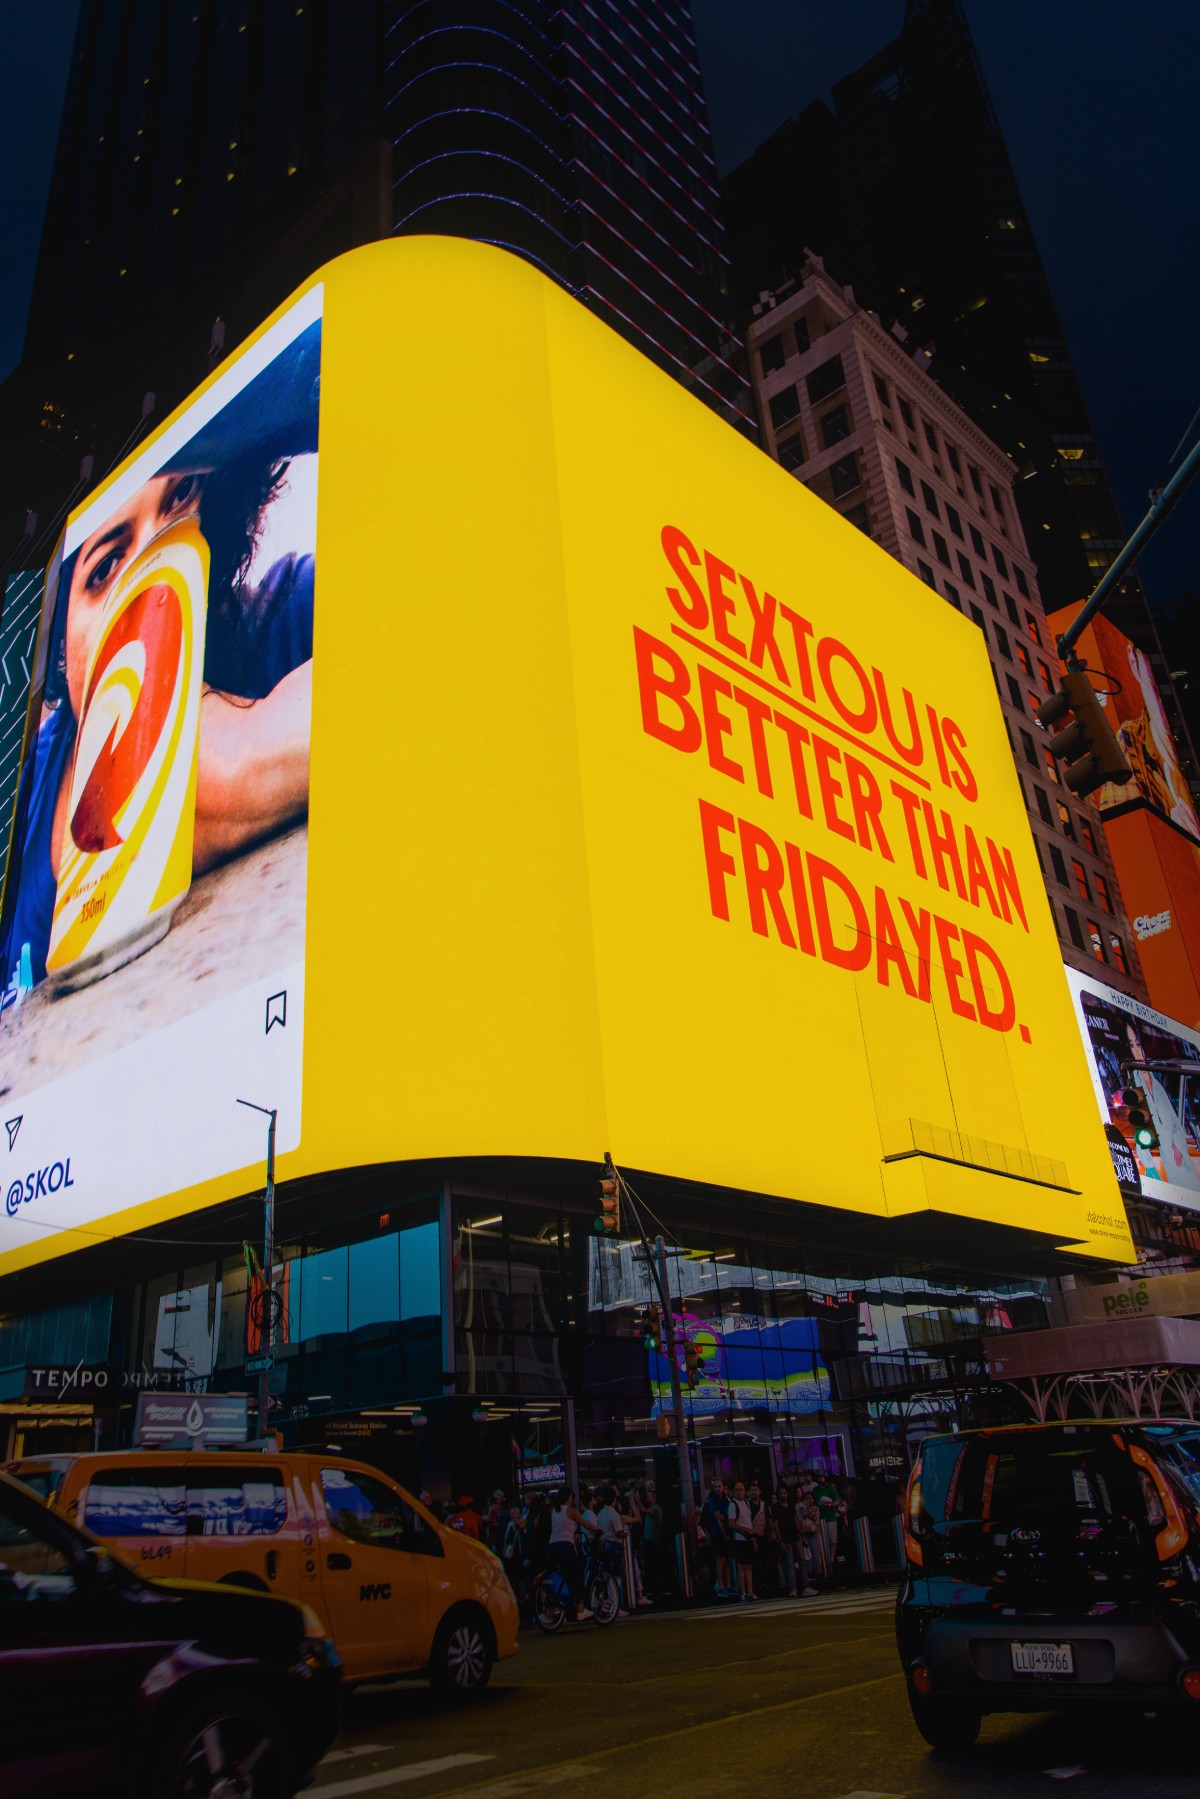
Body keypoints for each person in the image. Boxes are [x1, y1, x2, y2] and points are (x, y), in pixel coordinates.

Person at [1, 325, 320, 1000]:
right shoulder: (24, 791)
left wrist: (229, 757)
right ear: (60, 639)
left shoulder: (283, 615)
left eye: (179, 504)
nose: (150, 575)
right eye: (107, 564)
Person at [548, 1487, 591, 1622]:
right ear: (568, 1498)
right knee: (577, 1574)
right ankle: (580, 1610)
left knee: (560, 1577)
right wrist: (598, 1529)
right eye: (572, 1497)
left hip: (552, 1547)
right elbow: (585, 1524)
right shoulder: (570, 1510)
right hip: (565, 1547)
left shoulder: (554, 1511)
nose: (573, 1499)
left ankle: (557, 1609)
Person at [701, 1479, 733, 1598]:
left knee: (728, 1559)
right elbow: (718, 1517)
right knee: (720, 1559)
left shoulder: (726, 1499)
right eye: (715, 1487)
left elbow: (728, 1515)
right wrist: (724, 1532)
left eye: (720, 1486)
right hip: (717, 1533)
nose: (718, 1489)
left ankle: (728, 1585)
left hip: (726, 1532)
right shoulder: (712, 1500)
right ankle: (720, 1585)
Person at [727, 1481, 757, 1602]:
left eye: (741, 1489)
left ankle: (750, 1591)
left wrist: (753, 1539)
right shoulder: (733, 1505)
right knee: (741, 1566)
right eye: (737, 1490)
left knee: (749, 1566)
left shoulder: (746, 1503)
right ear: (734, 1492)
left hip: (748, 1539)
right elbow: (731, 1523)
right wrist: (745, 1530)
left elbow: (749, 1522)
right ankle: (743, 1592)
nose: (739, 1492)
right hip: (740, 1539)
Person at [771, 1483, 799, 1597]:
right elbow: (775, 1525)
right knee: (790, 1563)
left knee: (801, 1561)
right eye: (781, 1493)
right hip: (785, 1538)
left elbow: (796, 1520)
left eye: (784, 1493)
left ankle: (805, 1586)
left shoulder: (791, 1505)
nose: (783, 1495)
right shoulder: (776, 1508)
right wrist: (780, 1540)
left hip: (795, 1536)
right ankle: (793, 1588)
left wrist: (802, 1535)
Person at [640, 1480, 664, 1598]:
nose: (647, 1498)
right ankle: (651, 1589)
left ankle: (656, 1590)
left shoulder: (656, 1509)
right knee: (649, 1566)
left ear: (654, 1498)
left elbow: (644, 1510)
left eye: (649, 1496)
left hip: (654, 1542)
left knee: (653, 1566)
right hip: (648, 1541)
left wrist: (636, 1500)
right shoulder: (653, 1509)